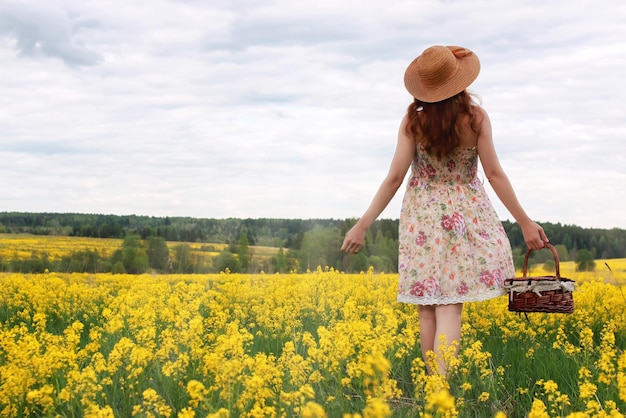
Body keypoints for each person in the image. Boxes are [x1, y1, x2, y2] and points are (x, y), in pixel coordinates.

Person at [341, 45, 548, 375]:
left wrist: (363, 224)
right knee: (450, 306)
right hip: (463, 217)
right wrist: (524, 221)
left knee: (427, 306)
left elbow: (394, 177)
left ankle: (432, 390)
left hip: (421, 219)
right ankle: (441, 390)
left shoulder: (413, 121)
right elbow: (494, 174)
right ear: (459, 82)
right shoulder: (476, 118)